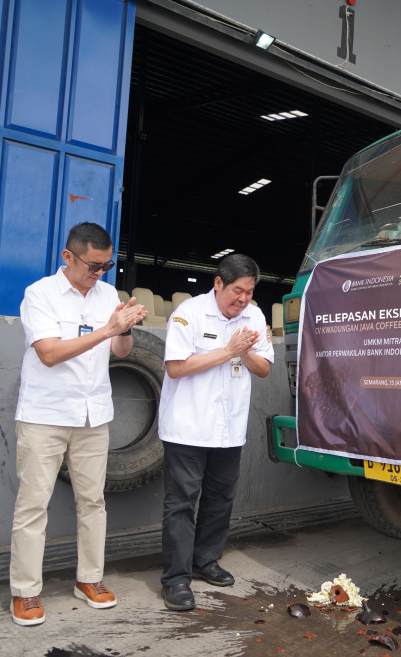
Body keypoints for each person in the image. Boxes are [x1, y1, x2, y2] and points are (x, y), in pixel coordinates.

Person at [9, 222, 146, 626]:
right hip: (45, 415)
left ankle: (89, 579)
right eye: (92, 265)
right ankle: (26, 591)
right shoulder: (40, 295)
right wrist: (109, 328)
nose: (99, 274)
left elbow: (119, 350)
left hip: (92, 414)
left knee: (93, 501)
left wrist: (124, 330)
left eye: (106, 266)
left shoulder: (107, 295)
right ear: (68, 257)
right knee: (33, 505)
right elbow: (49, 354)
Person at [158, 254, 274, 611]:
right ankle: (176, 579)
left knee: (220, 500)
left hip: (229, 429)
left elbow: (264, 368)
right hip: (187, 428)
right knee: (181, 504)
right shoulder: (189, 313)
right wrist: (228, 351)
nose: (243, 299)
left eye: (250, 292)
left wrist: (247, 351)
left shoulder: (254, 315)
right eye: (237, 291)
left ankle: (205, 560)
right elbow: (177, 367)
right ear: (219, 284)